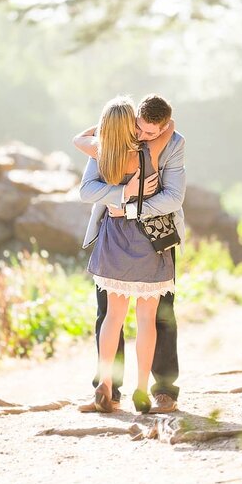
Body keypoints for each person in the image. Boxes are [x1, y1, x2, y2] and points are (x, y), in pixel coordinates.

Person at [75, 94, 186, 413]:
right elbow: (87, 190)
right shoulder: (131, 142)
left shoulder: (166, 143)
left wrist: (131, 208)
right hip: (129, 237)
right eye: (141, 129)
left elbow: (174, 198)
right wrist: (125, 195)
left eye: (154, 132)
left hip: (154, 234)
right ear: (134, 119)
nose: (146, 137)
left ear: (164, 127)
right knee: (134, 317)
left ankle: (160, 390)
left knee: (136, 316)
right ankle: (114, 388)